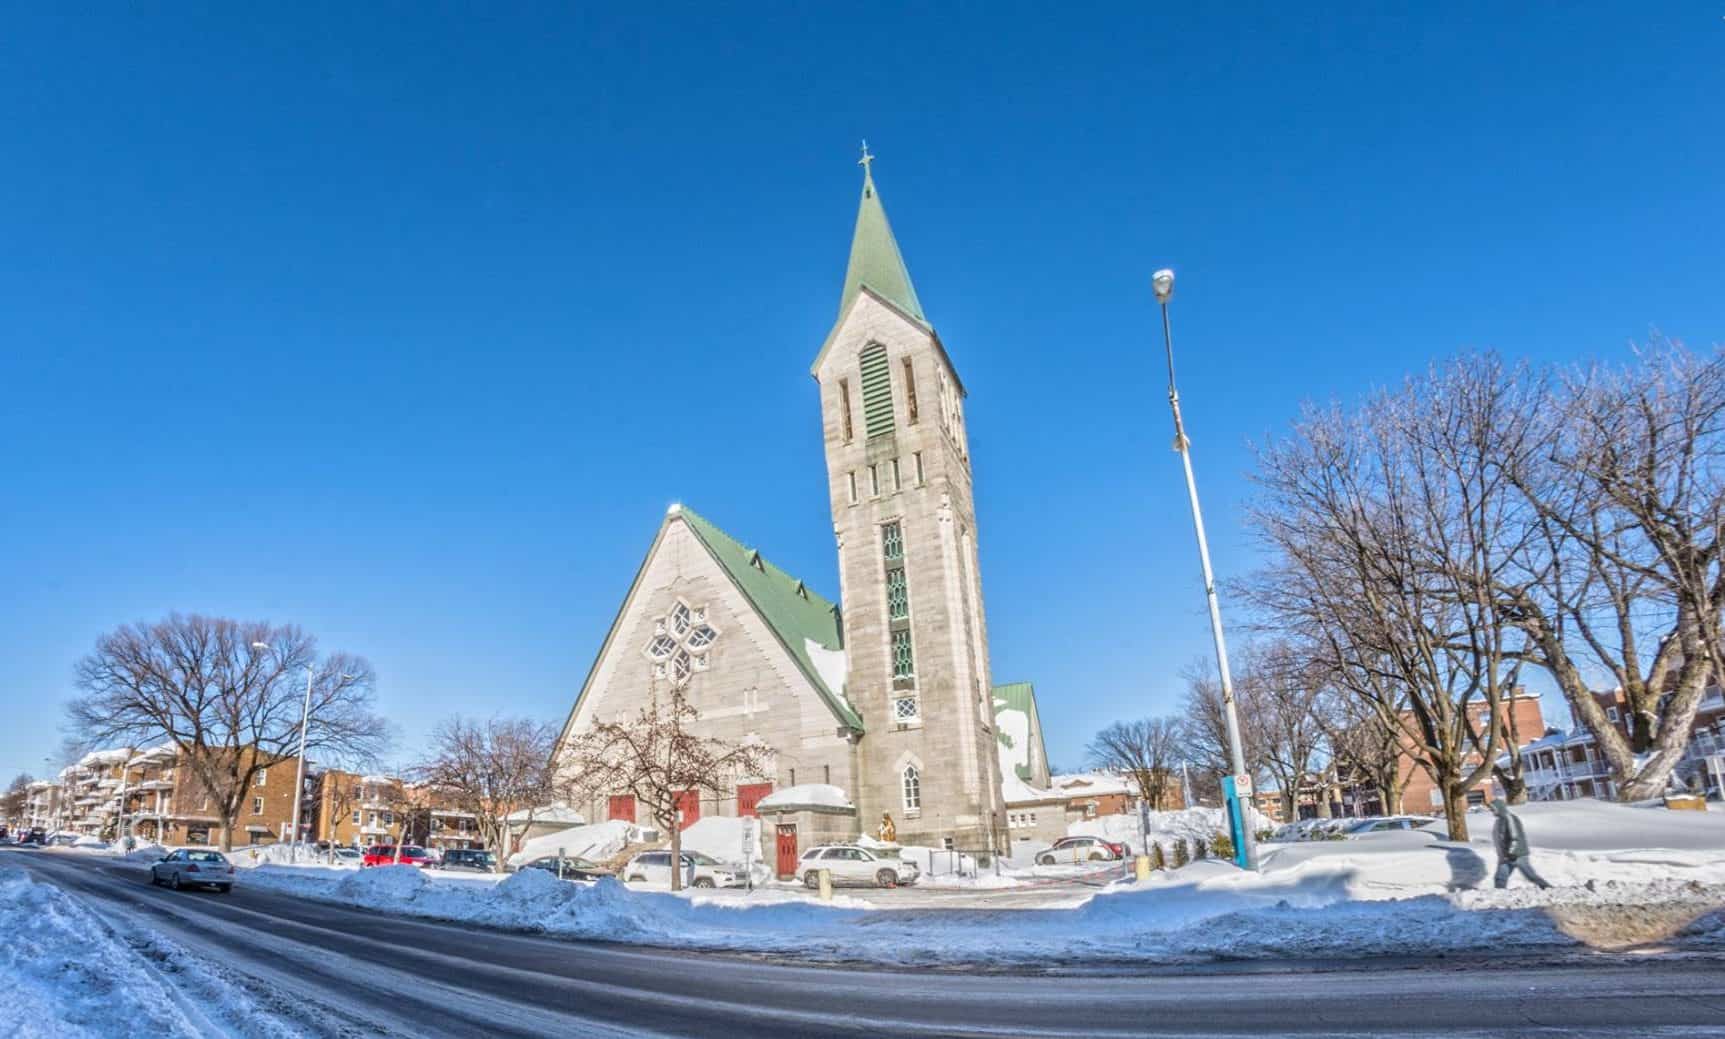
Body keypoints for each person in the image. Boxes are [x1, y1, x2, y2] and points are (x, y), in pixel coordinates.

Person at [1489, 798, 1551, 889]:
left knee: (1531, 876)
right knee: (1500, 878)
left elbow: (1514, 836)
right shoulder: (1500, 820)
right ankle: (1499, 895)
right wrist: (1504, 854)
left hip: (1517, 855)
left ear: (1499, 807)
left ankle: (1548, 889)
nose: (1491, 811)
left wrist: (1511, 852)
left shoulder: (1509, 818)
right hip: (1507, 856)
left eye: (1492, 808)